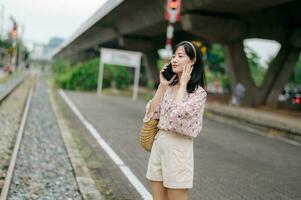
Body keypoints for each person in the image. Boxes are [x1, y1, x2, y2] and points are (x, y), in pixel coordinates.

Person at [143, 41, 207, 200]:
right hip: (160, 144)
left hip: (178, 148)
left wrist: (184, 84)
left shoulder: (198, 94)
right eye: (173, 56)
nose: (174, 60)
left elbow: (177, 116)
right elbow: (151, 114)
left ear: (192, 61)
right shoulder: (169, 87)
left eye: (180, 56)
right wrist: (162, 86)